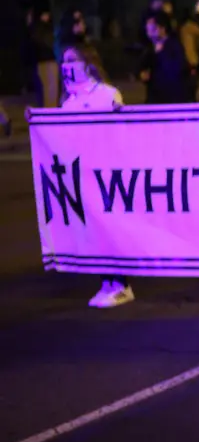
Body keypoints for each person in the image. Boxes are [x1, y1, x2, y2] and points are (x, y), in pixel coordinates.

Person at [57, 42, 133, 307]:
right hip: (82, 175)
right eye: (63, 61)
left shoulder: (107, 94)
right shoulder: (68, 102)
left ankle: (122, 284)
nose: (66, 66)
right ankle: (107, 282)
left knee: (108, 227)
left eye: (72, 59)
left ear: (87, 62)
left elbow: (122, 134)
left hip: (107, 173)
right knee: (93, 230)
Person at [141, 12, 195, 105]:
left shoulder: (173, 45)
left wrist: (159, 54)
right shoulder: (150, 48)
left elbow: (177, 67)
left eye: (152, 29)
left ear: (162, 28)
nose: (149, 33)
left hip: (172, 97)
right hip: (155, 97)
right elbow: (143, 67)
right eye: (147, 29)